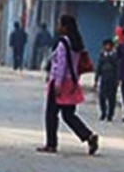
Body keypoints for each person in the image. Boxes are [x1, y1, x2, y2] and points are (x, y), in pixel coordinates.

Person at [38, 14, 98, 155]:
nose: (58, 27)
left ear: (65, 27)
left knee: (51, 114)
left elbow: (61, 65)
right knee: (69, 115)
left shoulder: (63, 43)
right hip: (72, 83)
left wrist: (57, 84)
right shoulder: (76, 43)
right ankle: (88, 136)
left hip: (60, 83)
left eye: (60, 24)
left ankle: (51, 144)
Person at [95, 38, 119, 122]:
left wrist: (117, 79)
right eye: (105, 45)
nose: (107, 47)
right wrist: (96, 79)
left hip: (112, 78)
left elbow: (117, 68)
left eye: (109, 45)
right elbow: (98, 68)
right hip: (104, 78)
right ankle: (103, 113)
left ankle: (110, 114)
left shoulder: (114, 56)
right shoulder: (102, 56)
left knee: (111, 97)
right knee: (102, 96)